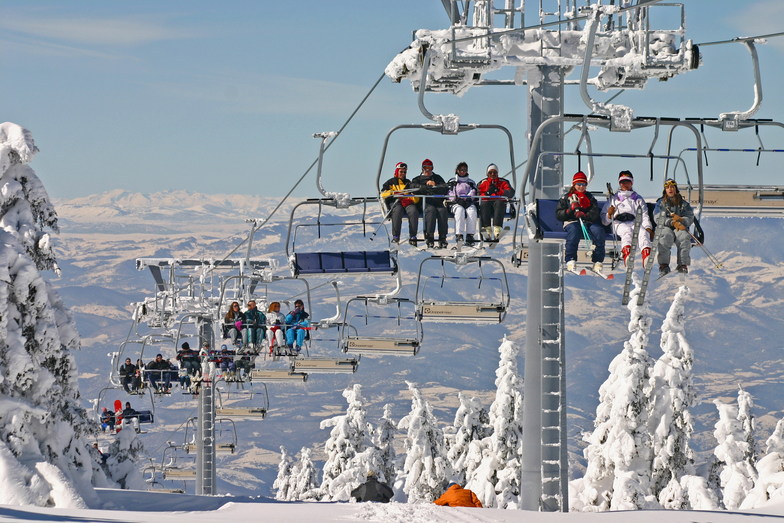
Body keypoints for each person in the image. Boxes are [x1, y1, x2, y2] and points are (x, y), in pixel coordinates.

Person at [555, 171, 606, 273]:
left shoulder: (590, 198)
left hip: (588, 221)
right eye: (579, 184)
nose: (581, 187)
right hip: (572, 222)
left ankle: (598, 261)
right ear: (574, 184)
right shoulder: (566, 198)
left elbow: (594, 212)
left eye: (583, 184)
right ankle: (570, 259)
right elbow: (559, 214)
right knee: (574, 232)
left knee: (599, 232)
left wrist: (585, 215)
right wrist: (569, 211)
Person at [602, 170, 653, 267]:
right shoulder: (613, 199)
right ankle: (627, 253)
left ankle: (646, 255)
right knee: (626, 231)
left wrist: (648, 228)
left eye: (627, 182)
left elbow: (644, 215)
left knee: (642, 232)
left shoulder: (637, 199)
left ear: (632, 183)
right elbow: (604, 220)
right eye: (622, 182)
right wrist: (609, 215)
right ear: (619, 183)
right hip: (618, 223)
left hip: (634, 222)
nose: (625, 184)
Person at [654, 178, 694, 276]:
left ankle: (682, 264)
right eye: (667, 187)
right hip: (665, 226)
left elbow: (690, 216)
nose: (670, 189)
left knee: (684, 237)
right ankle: (664, 265)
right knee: (666, 236)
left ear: (675, 189)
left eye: (672, 187)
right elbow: (657, 217)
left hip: (679, 227)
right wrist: (671, 222)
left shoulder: (683, 204)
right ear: (665, 190)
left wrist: (681, 220)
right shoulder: (661, 203)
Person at [410, 158, 449, 249]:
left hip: (437, 202)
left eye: (429, 168)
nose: (427, 170)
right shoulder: (418, 179)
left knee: (442, 211)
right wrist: (425, 187)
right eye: (425, 168)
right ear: (422, 168)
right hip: (425, 202)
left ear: (432, 168)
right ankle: (430, 236)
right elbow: (412, 186)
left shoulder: (437, 178)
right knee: (430, 211)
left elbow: (445, 187)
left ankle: (442, 237)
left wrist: (435, 186)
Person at [380, 162, 420, 246]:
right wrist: (393, 193)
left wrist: (409, 198)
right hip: (395, 201)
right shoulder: (390, 182)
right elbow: (383, 194)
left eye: (404, 172)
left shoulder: (408, 183)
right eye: (401, 172)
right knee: (397, 211)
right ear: (397, 171)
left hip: (406, 202)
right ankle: (396, 236)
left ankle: (413, 236)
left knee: (413, 211)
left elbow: (415, 197)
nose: (403, 174)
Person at [477, 163, 515, 241]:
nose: (493, 174)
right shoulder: (483, 182)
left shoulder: (503, 182)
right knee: (484, 204)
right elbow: (477, 193)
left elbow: (510, 192)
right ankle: (487, 229)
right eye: (490, 172)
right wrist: (487, 193)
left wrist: (499, 191)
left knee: (499, 202)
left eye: (495, 172)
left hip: (499, 206)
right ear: (487, 174)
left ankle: (497, 228)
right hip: (487, 206)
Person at [447, 162, 479, 246]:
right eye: (461, 170)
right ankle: (459, 235)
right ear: (457, 170)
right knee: (459, 210)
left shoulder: (471, 182)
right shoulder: (453, 181)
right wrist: (456, 199)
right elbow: (450, 193)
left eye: (464, 170)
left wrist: (468, 198)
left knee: (472, 211)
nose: (463, 172)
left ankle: (470, 235)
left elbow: (473, 191)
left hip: (468, 202)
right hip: (456, 203)